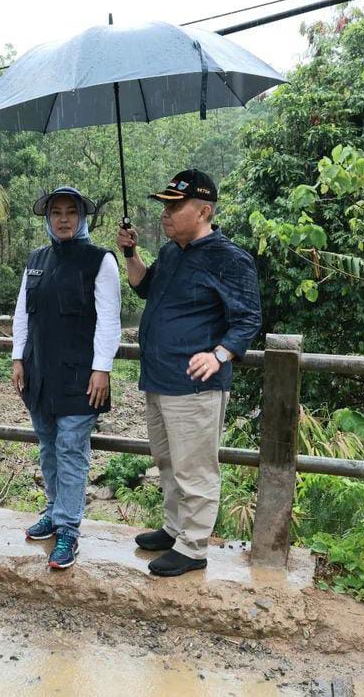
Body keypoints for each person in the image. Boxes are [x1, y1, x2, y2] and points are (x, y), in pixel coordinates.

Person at [116, 169, 261, 577]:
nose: (165, 213)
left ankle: (194, 546)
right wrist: (131, 254)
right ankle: (175, 528)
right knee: (167, 461)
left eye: (175, 206)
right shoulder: (170, 252)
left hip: (196, 385)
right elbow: (144, 288)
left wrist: (220, 354)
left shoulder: (230, 258)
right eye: (165, 205)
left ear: (204, 211)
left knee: (194, 468)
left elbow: (249, 319)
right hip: (158, 377)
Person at [11, 188, 121, 569]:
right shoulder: (37, 260)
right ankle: (54, 510)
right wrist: (17, 358)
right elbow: (22, 314)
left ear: (82, 217)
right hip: (39, 371)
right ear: (47, 218)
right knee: (48, 445)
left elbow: (109, 319)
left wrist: (102, 367)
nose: (63, 219)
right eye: (56, 212)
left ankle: (69, 531)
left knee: (71, 449)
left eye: (70, 212)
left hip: (81, 375)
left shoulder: (100, 260)